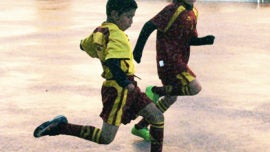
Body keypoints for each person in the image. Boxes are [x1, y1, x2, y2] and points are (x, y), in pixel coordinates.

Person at [33, 0, 164, 151]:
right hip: (120, 89)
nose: (131, 22)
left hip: (127, 87)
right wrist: (124, 82)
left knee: (157, 117)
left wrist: (98, 49)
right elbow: (112, 61)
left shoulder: (99, 31)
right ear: (115, 15)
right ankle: (61, 127)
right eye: (128, 17)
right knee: (105, 138)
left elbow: (83, 45)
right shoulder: (116, 35)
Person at [131, 0, 215, 140]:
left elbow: (189, 39)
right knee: (194, 87)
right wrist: (137, 51)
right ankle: (155, 90)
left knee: (170, 97)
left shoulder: (193, 12)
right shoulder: (173, 9)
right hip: (168, 60)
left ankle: (140, 127)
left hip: (180, 60)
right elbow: (149, 26)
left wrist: (204, 40)